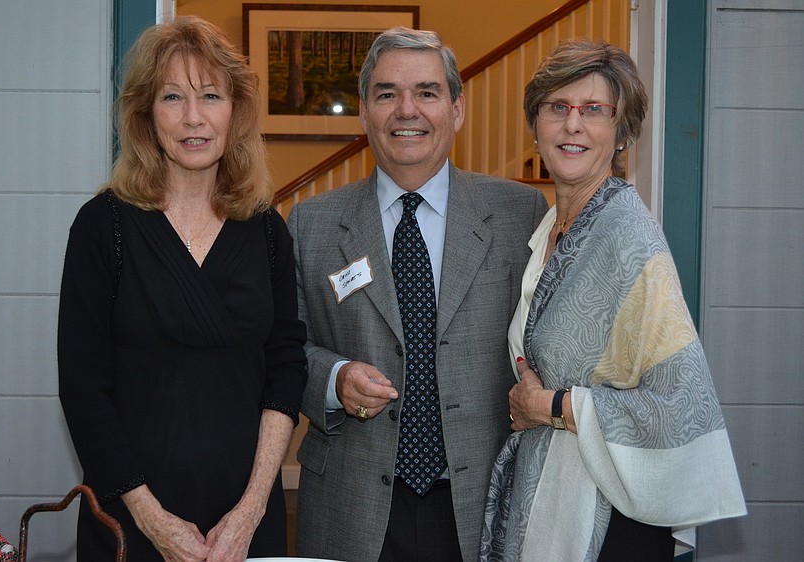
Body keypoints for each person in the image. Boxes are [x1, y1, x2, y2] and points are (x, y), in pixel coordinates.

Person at [287, 27, 549, 562]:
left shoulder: (520, 214)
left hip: (483, 504)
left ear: (456, 109)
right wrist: (334, 379)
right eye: (387, 94)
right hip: (350, 506)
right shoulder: (310, 224)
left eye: (427, 92)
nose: (407, 110)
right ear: (364, 112)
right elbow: (285, 350)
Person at [479, 39, 746, 561]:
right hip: (549, 495)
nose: (573, 125)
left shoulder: (628, 239)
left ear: (621, 133)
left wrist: (551, 405)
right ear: (536, 124)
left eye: (594, 110)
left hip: (610, 521)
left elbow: (681, 406)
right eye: (557, 108)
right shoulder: (548, 231)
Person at [57, 16, 307, 561]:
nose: (194, 117)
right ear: (146, 114)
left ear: (235, 111)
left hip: (243, 522)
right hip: (129, 518)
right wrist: (151, 519)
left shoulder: (266, 228)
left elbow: (286, 369)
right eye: (173, 97)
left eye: (211, 96)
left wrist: (252, 508)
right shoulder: (103, 227)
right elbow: (82, 389)